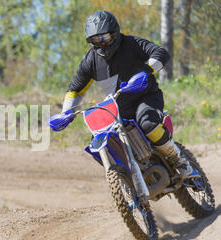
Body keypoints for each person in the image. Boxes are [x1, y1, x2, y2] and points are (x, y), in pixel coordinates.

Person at [61, 10, 193, 179]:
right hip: (117, 110)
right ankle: (127, 178)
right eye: (95, 40)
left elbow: (161, 53)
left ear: (115, 33)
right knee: (100, 141)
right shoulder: (91, 60)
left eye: (105, 38)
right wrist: (66, 112)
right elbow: (75, 89)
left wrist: (146, 71)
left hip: (146, 97)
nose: (101, 44)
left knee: (148, 124)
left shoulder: (130, 44)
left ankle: (179, 159)